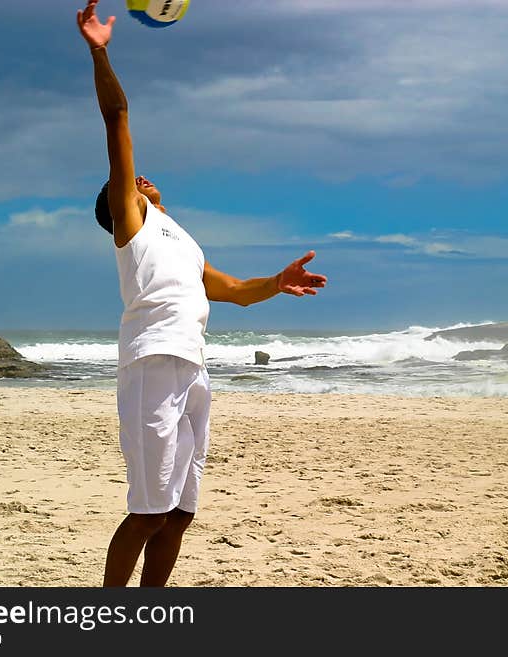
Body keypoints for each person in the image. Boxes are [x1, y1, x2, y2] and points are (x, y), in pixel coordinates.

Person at [76, 0, 328, 587]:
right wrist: (99, 50)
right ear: (120, 203)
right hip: (153, 363)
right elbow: (117, 117)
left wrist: (278, 282)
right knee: (148, 511)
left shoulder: (181, 240)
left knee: (182, 513)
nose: (141, 177)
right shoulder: (133, 226)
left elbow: (236, 291)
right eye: (130, 182)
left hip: (194, 368)